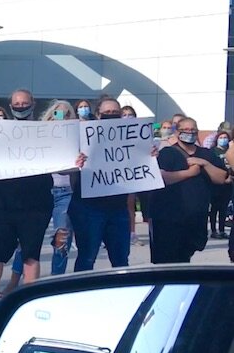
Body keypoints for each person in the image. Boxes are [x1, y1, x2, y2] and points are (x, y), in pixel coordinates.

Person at [0, 89, 54, 319]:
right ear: (10, 106)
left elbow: (62, 159)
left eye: (24, 103)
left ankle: (29, 301)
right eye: (16, 103)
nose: (20, 106)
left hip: (36, 203)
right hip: (3, 202)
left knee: (31, 255)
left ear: (33, 103)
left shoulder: (45, 133)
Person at [0, 100, 77, 297]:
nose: (63, 118)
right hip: (40, 193)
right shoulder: (38, 134)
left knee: (62, 238)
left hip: (65, 193)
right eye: (58, 114)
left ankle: (56, 282)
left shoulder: (76, 138)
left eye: (67, 115)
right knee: (25, 241)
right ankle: (15, 282)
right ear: (50, 116)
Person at [69, 98, 135, 272]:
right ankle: (81, 293)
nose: (111, 115)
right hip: (88, 207)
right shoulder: (83, 137)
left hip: (118, 207)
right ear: (98, 114)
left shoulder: (130, 136)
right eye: (107, 112)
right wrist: (76, 162)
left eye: (115, 112)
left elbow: (140, 161)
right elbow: (64, 168)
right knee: (87, 257)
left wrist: (148, 154)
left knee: (121, 259)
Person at [149, 117, 228, 263]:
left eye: (193, 130)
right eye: (185, 130)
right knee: (166, 261)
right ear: (177, 133)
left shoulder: (207, 154)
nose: (190, 133)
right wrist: (189, 173)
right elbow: (161, 178)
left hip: (195, 219)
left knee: (184, 259)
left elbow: (221, 177)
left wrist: (204, 164)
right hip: (168, 219)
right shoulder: (168, 153)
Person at [121, 105, 145, 246]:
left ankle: (132, 234)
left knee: (130, 205)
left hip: (130, 174)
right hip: (112, 176)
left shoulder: (139, 134)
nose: (127, 117)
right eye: (124, 114)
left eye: (130, 114)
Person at [209, 130, 232, 239]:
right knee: (214, 208)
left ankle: (222, 230)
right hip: (216, 184)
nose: (223, 140)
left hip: (229, 183)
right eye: (221, 137)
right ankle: (214, 230)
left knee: (223, 208)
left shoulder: (230, 151)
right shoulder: (213, 152)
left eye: (225, 137)